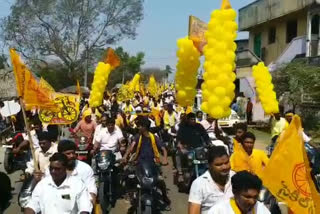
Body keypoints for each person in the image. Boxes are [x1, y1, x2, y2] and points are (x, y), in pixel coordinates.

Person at [123, 116, 171, 208]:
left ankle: (164, 196)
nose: (138, 128)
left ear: (145, 127)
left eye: (140, 126)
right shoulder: (137, 137)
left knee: (160, 180)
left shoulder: (154, 137)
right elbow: (131, 147)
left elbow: (163, 149)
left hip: (152, 164)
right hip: (139, 163)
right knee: (128, 176)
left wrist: (164, 159)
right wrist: (125, 156)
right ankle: (130, 195)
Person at [24, 153, 92, 214]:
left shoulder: (78, 185)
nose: (53, 171)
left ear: (65, 168)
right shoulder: (42, 185)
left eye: (57, 169)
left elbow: (85, 208)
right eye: (51, 168)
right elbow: (32, 206)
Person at [188, 146, 235, 214]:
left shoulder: (235, 177)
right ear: (209, 165)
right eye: (218, 165)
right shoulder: (199, 184)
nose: (224, 167)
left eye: (226, 162)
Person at [176, 113, 211, 180]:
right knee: (178, 154)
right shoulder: (183, 127)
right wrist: (180, 146)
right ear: (188, 120)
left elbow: (205, 135)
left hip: (199, 149)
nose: (193, 121)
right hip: (187, 149)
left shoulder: (199, 126)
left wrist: (209, 143)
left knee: (208, 158)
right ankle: (180, 173)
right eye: (192, 119)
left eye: (194, 119)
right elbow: (179, 138)